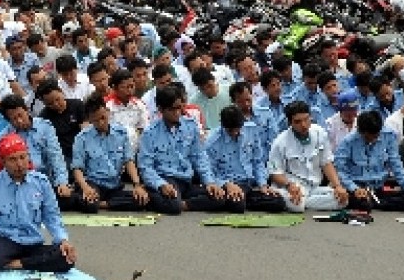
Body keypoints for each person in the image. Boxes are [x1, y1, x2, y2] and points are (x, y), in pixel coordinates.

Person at [0, 133, 77, 274]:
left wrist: (63, 241)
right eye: (13, 159)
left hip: (32, 242)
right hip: (4, 240)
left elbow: (53, 217)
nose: (20, 164)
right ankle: (31, 264)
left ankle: (16, 264)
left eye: (22, 157)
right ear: (2, 161)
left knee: (67, 258)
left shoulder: (42, 182)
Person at [137, 85, 226, 215]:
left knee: (220, 196)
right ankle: (162, 196)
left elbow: (199, 157)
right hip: (166, 178)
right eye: (172, 109)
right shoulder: (150, 133)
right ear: (161, 109)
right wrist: (161, 184)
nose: (177, 112)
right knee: (173, 207)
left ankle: (181, 203)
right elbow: (145, 166)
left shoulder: (190, 125)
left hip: (186, 180)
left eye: (179, 108)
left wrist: (209, 182)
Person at [0, 95, 78, 211]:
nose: (19, 121)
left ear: (26, 109)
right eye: (14, 119)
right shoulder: (5, 137)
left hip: (45, 182)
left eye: (20, 115)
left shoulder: (45, 127)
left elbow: (56, 157)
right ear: (8, 121)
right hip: (20, 183)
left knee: (69, 200)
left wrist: (62, 183)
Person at [268, 101, 348, 213]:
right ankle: (301, 201)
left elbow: (326, 163)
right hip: (291, 186)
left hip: (314, 188)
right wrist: (289, 185)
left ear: (311, 117)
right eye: (298, 122)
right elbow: (275, 173)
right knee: (297, 206)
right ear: (290, 123)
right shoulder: (280, 142)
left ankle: (305, 201)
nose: (304, 125)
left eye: (306, 119)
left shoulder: (320, 133)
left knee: (343, 200)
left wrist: (338, 186)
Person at [71, 95, 148, 212]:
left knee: (142, 199)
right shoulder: (82, 138)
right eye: (96, 120)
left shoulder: (121, 133)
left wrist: (137, 185)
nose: (101, 123)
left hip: (114, 185)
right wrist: (86, 188)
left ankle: (103, 204)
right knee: (89, 204)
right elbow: (77, 168)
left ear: (107, 112)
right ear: (90, 119)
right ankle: (99, 202)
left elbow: (129, 161)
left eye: (103, 118)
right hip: (93, 183)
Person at [203, 106, 286, 213]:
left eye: (237, 129)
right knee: (237, 206)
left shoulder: (251, 130)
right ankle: (240, 199)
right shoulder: (212, 142)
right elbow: (210, 172)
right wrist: (226, 184)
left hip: (250, 183)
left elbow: (257, 161)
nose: (234, 133)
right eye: (230, 130)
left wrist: (263, 184)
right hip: (230, 183)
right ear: (223, 125)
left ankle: (245, 198)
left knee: (278, 202)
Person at [334, 110, 404, 212]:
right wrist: (354, 188)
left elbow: (396, 164)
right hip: (358, 188)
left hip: (379, 186)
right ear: (360, 131)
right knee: (358, 201)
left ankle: (377, 202)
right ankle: (377, 203)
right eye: (368, 137)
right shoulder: (348, 142)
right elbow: (340, 170)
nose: (373, 140)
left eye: (376, 136)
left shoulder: (389, 135)